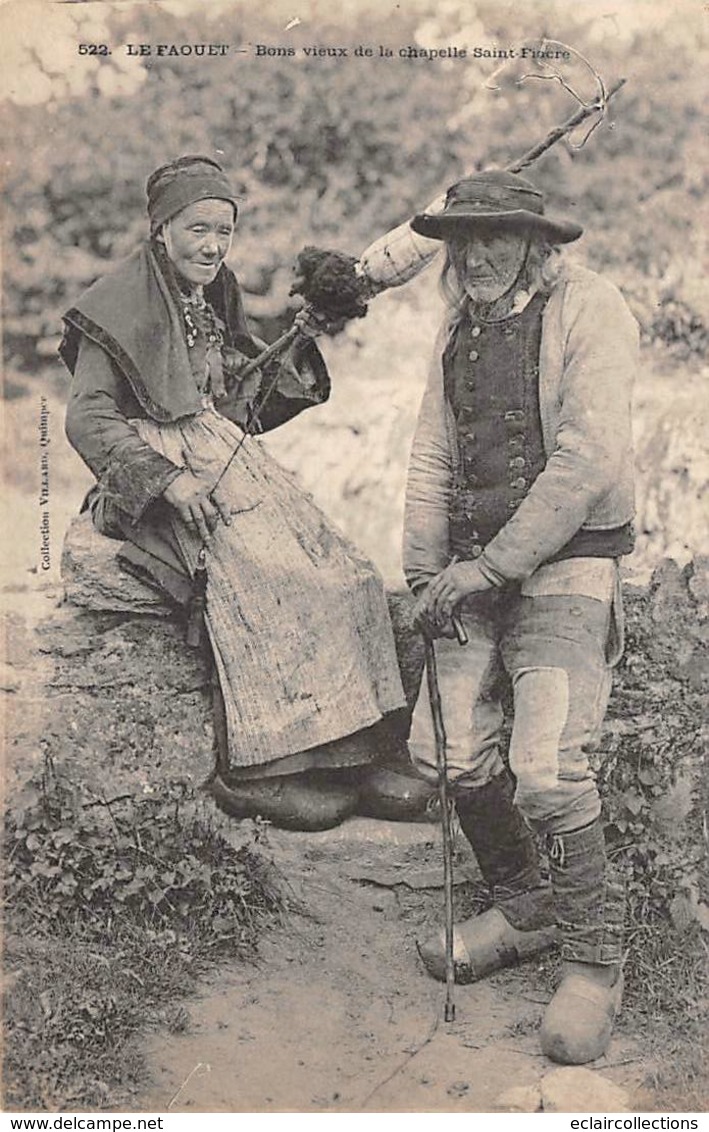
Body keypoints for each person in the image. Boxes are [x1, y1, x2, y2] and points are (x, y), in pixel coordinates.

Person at [59, 154, 433, 830]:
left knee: (344, 571)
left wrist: (300, 338)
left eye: (223, 232)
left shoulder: (214, 292)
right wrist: (166, 481)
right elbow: (87, 417)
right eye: (196, 229)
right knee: (267, 575)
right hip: (159, 475)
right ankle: (262, 768)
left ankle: (359, 751)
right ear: (160, 227)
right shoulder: (114, 306)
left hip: (213, 450)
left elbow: (234, 391)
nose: (211, 246)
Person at [402, 169, 638, 1064]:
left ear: (537, 243)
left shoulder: (592, 310)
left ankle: (592, 963)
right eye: (462, 241)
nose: (477, 256)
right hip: (470, 568)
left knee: (545, 764)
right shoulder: (456, 324)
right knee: (445, 752)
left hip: (567, 561)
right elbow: (432, 451)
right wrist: (427, 572)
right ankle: (526, 907)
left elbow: (585, 460)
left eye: (497, 237)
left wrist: (490, 566)